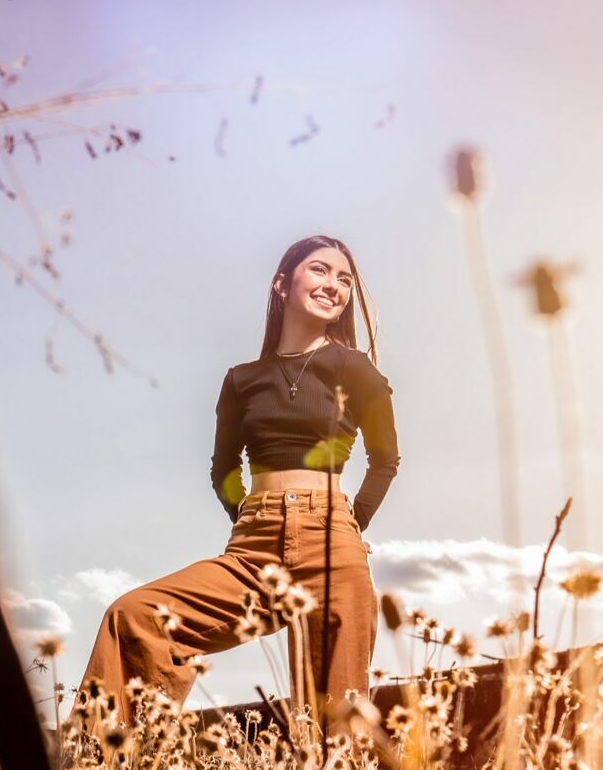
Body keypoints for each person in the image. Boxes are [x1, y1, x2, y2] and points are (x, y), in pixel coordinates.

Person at [79, 235, 401, 726]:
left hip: (333, 542)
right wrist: (252, 516)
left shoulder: (354, 369)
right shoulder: (241, 380)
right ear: (282, 284)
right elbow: (223, 470)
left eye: (344, 279)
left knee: (334, 720)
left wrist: (349, 524)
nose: (334, 285)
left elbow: (385, 460)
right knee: (135, 617)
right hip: (252, 550)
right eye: (319, 270)